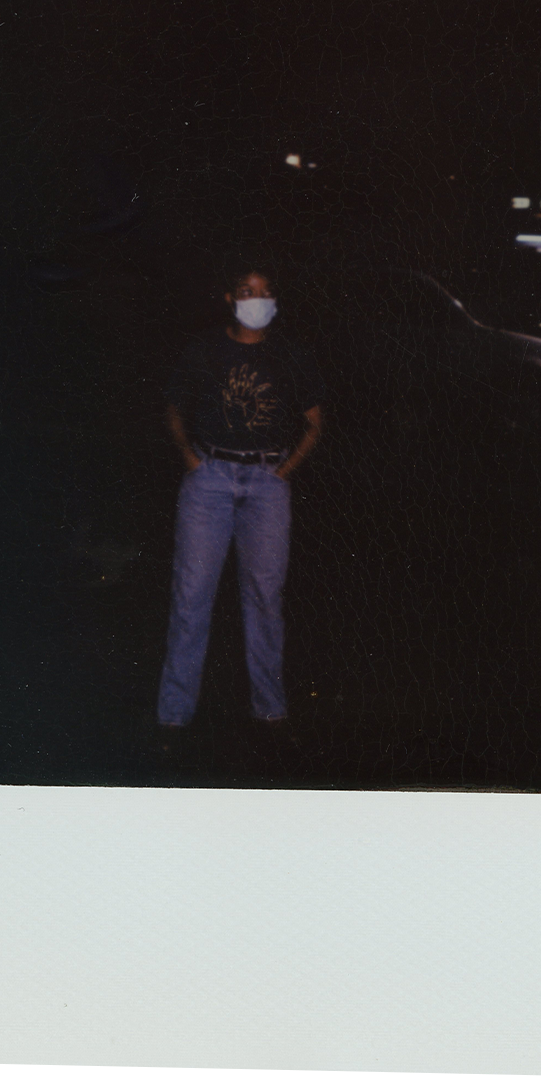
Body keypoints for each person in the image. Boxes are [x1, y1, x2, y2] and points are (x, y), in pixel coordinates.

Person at [156, 264, 324, 742]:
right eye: (248, 291)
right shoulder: (205, 349)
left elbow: (315, 422)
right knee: (191, 596)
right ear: (230, 299)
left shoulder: (291, 353)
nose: (258, 299)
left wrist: (282, 472)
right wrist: (190, 458)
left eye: (266, 291)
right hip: (209, 480)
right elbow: (174, 407)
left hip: (267, 484)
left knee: (265, 597)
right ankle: (174, 712)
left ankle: (269, 709)